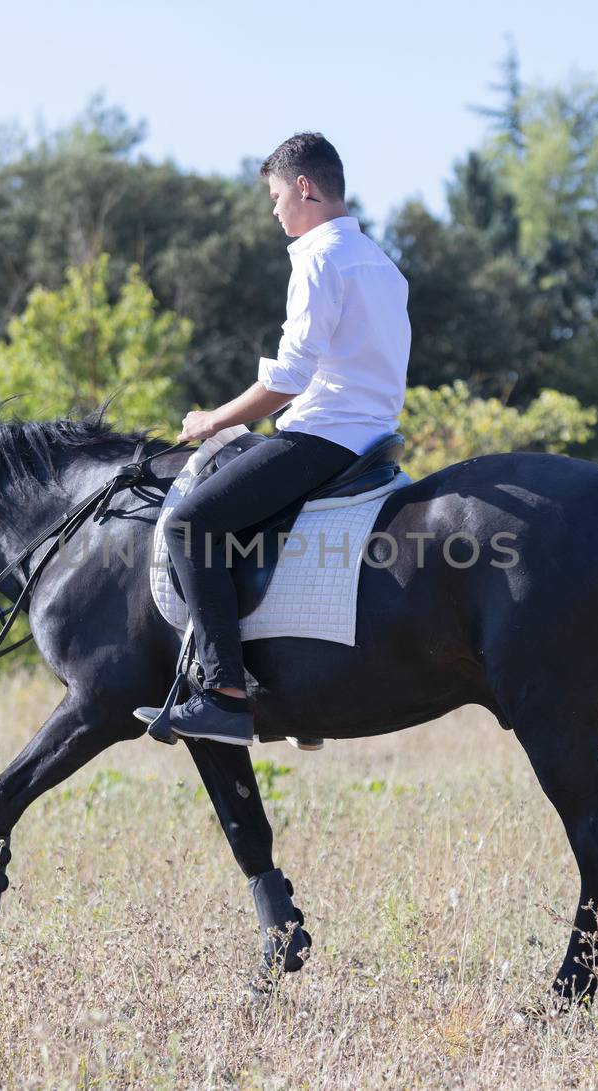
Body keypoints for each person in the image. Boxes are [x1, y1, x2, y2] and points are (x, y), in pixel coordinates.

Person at [134, 132, 412, 745]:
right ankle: (292, 689)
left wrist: (215, 420)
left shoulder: (318, 256)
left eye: (277, 195)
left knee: (188, 526)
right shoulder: (383, 265)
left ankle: (224, 694)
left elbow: (289, 377)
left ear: (304, 187)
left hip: (323, 436)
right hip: (374, 440)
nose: (275, 210)